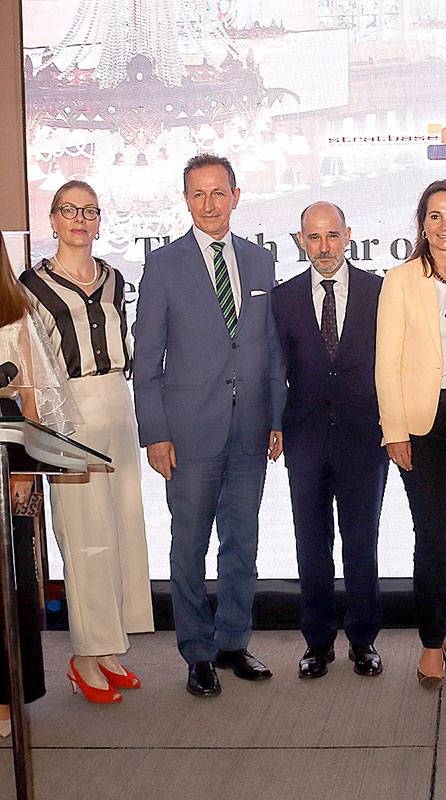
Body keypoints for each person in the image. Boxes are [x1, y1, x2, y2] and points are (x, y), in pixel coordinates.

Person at [133, 153, 286, 698]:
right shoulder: (164, 266)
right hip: (187, 432)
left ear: (236, 196)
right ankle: (197, 653)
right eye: (197, 194)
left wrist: (275, 418)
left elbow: (269, 349)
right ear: (185, 200)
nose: (208, 204)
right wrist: (154, 431)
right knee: (189, 545)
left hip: (250, 430)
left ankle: (232, 643)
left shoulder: (261, 261)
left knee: (241, 542)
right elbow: (146, 358)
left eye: (218, 193)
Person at [20, 180, 155, 704]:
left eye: (90, 211)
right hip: (66, 411)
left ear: (100, 221)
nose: (79, 218)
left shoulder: (115, 278)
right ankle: (81, 655)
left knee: (121, 527)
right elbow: (29, 368)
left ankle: (105, 646)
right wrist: (38, 436)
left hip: (117, 405)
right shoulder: (31, 287)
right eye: (68, 210)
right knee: (83, 534)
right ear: (52, 219)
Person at [272, 201, 388, 679]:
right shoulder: (282, 298)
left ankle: (363, 640)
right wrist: (273, 423)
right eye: (313, 238)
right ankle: (317, 642)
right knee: (311, 543)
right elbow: (274, 369)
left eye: (332, 236)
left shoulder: (380, 292)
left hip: (365, 437)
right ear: (301, 240)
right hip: (305, 438)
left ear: (348, 235)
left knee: (362, 540)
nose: (323, 247)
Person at [376, 179, 446, 688]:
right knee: (434, 535)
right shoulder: (400, 279)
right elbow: (386, 362)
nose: (443, 225)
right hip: (422, 425)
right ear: (422, 224)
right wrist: (394, 430)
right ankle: (431, 644)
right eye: (434, 216)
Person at [0, 241, 75, 732]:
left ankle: (7, 698)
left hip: (4, 469)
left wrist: (24, 473)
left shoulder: (14, 312)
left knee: (6, 589)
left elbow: (30, 395)